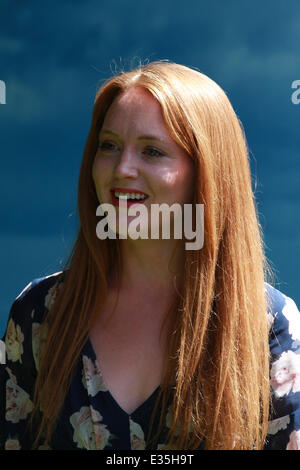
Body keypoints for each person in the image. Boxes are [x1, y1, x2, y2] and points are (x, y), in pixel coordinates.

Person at [1, 60, 300, 451]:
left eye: (152, 151)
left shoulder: (268, 327)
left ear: (207, 172)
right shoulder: (40, 315)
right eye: (108, 146)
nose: (123, 168)